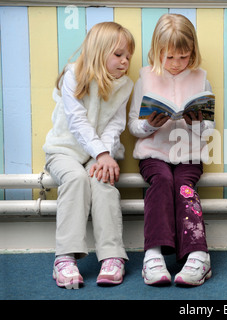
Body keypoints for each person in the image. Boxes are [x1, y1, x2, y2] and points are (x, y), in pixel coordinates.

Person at [43, 22, 135, 288]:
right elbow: (77, 122)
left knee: (102, 182)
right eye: (118, 55)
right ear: (98, 51)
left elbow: (116, 124)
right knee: (76, 179)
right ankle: (64, 257)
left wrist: (103, 157)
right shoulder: (74, 75)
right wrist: (102, 153)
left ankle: (112, 256)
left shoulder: (125, 85)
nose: (125, 61)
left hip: (100, 153)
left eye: (127, 56)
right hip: (64, 150)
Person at [128, 14, 215, 286]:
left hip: (189, 155)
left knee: (183, 187)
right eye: (169, 57)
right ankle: (153, 255)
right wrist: (148, 126)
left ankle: (197, 254)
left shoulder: (201, 79)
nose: (177, 64)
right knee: (163, 181)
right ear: (157, 52)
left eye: (184, 57)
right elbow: (133, 125)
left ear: (193, 53)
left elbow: (209, 131)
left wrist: (197, 123)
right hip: (153, 152)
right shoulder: (145, 77)